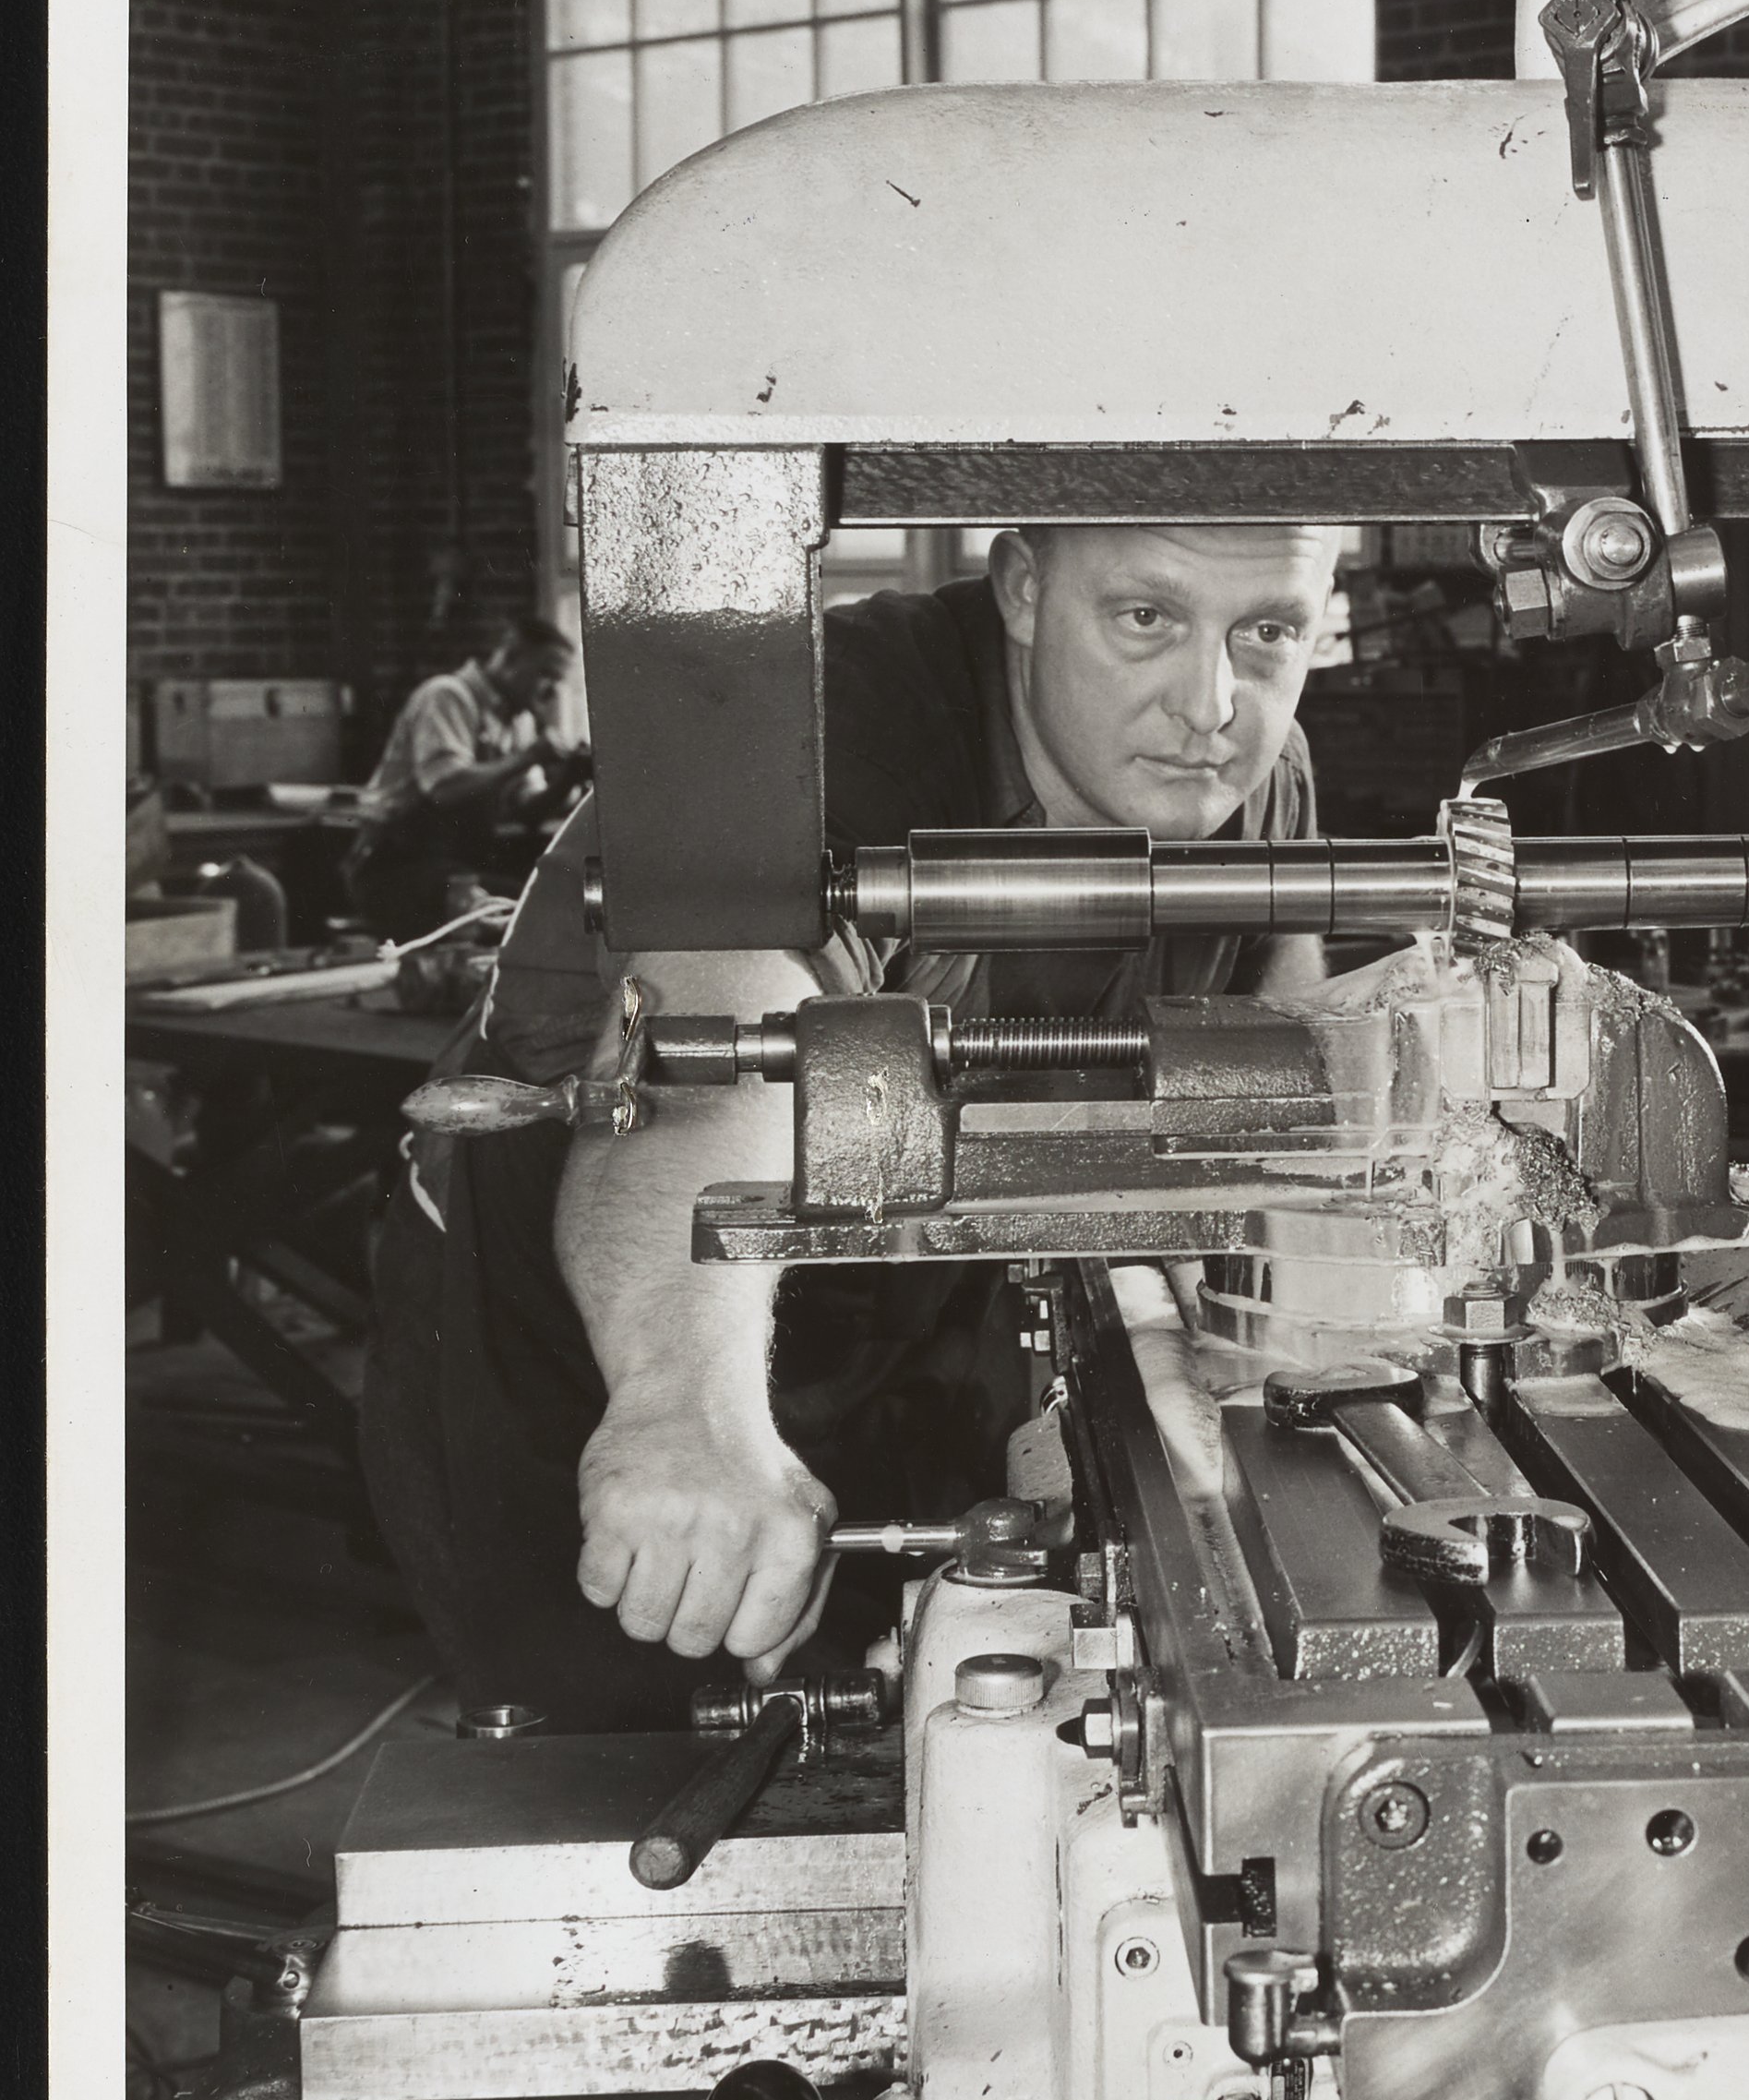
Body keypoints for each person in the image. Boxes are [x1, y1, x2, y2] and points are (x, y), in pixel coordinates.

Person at [359, 522, 1344, 1728]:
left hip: (884, 1304)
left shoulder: (1261, 779)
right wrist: (685, 1408)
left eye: (1269, 629)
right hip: (614, 1319)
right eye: (1147, 618)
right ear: (1022, 589)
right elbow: (711, 1049)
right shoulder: (824, 724)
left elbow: (1277, 1082)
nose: (1212, 706)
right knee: (621, 1754)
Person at [345, 617, 590, 941]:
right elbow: (444, 788)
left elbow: (525, 812)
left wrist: (569, 778)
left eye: (557, 680)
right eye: (545, 674)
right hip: (395, 869)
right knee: (526, 917)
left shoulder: (520, 722)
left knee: (557, 903)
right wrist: (527, 758)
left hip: (455, 865)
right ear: (511, 657)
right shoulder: (447, 696)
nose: (551, 691)